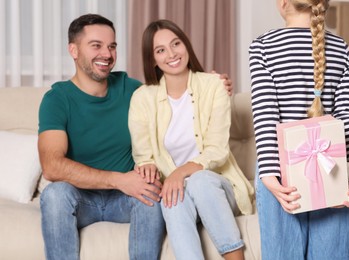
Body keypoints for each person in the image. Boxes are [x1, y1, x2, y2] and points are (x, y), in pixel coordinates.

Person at [38, 14, 233, 260]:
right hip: (81, 198)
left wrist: (216, 84)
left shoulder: (133, 90)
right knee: (55, 194)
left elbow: (173, 86)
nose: (107, 54)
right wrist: (118, 180)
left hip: (128, 197)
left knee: (150, 192)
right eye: (96, 46)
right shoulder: (57, 99)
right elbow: (51, 166)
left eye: (112, 46)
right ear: (73, 50)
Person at [128, 19, 254, 260]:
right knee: (171, 198)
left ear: (186, 45)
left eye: (176, 44)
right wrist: (158, 175)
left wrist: (181, 172)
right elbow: (144, 158)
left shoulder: (213, 85)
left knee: (200, 181)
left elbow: (217, 150)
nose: (171, 53)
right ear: (152, 59)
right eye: (160, 50)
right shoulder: (142, 98)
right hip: (177, 192)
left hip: (218, 186)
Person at [249, 0, 349, 259]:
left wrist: (269, 177)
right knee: (331, 254)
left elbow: (265, 115)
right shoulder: (343, 49)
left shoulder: (263, 47)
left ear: (283, 3)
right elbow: (348, 117)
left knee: (283, 254)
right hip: (331, 167)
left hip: (279, 169)